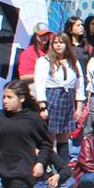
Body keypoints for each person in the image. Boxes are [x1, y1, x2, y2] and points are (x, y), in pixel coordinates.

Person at [33, 31, 83, 172]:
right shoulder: (45, 61)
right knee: (49, 137)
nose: (58, 45)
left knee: (64, 138)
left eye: (61, 42)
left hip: (67, 99)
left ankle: (63, 172)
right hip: (52, 98)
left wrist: (79, 107)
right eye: (55, 42)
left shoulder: (73, 62)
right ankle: (46, 170)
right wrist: (43, 106)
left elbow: (79, 85)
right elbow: (39, 84)